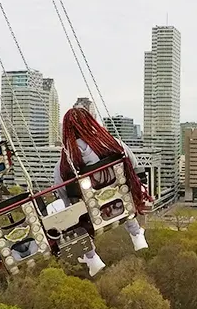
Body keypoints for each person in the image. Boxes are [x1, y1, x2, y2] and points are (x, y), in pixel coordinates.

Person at [51, 107, 151, 276]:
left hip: (91, 216)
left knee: (64, 211)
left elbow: (62, 193)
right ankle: (136, 234)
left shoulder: (65, 162)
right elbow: (134, 166)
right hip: (121, 204)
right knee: (124, 192)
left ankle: (91, 256)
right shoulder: (112, 143)